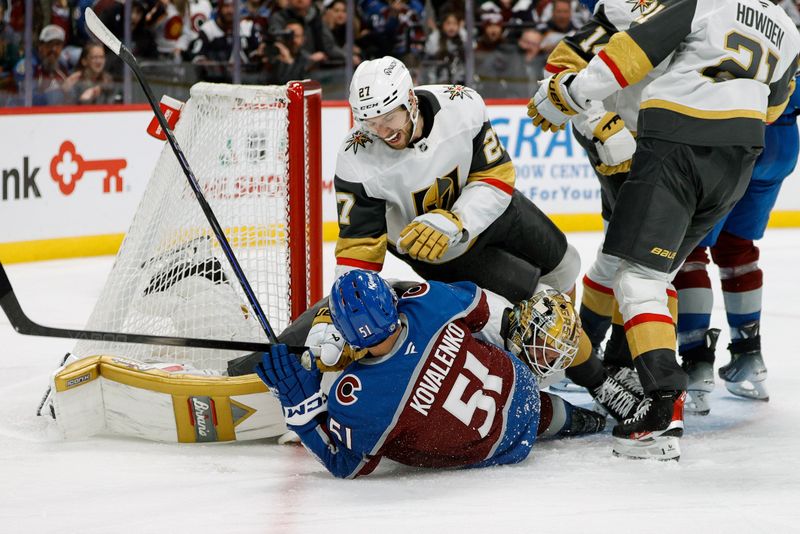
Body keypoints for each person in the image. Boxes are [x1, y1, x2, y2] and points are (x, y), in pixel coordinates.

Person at [527, 0, 800, 459]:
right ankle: (621, 360)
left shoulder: (698, 3)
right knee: (649, 265)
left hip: (671, 146)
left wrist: (572, 93)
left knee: (638, 277)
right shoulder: (787, 26)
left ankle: (659, 408)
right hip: (739, 157)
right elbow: (774, 107)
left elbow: (628, 54)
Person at [333, 55, 643, 422]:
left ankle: (559, 359)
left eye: (389, 118)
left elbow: (497, 176)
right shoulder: (356, 159)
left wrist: (458, 219)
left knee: (566, 266)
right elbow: (358, 251)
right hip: (444, 253)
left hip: (490, 211)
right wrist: (340, 311)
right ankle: (598, 381)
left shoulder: (461, 104)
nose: (383, 132)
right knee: (536, 312)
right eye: (371, 123)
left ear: (411, 101)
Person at [255, 270, 606, 478]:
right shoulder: (431, 300)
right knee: (535, 410)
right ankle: (588, 420)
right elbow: (482, 311)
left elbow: (346, 465)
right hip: (521, 384)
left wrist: (303, 414)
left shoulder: (356, 396)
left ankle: (575, 419)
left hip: (491, 450)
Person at [674, 78, 800, 413]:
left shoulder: (715, 22)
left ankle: (696, 363)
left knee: (690, 251)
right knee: (737, 247)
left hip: (731, 137)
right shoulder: (786, 26)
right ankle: (749, 356)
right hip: (783, 141)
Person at [13, 24, 68, 106]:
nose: (54, 49)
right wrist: (61, 91)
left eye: (58, 45)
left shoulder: (62, 66)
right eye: (50, 44)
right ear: (40, 46)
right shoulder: (26, 66)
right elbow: (29, 100)